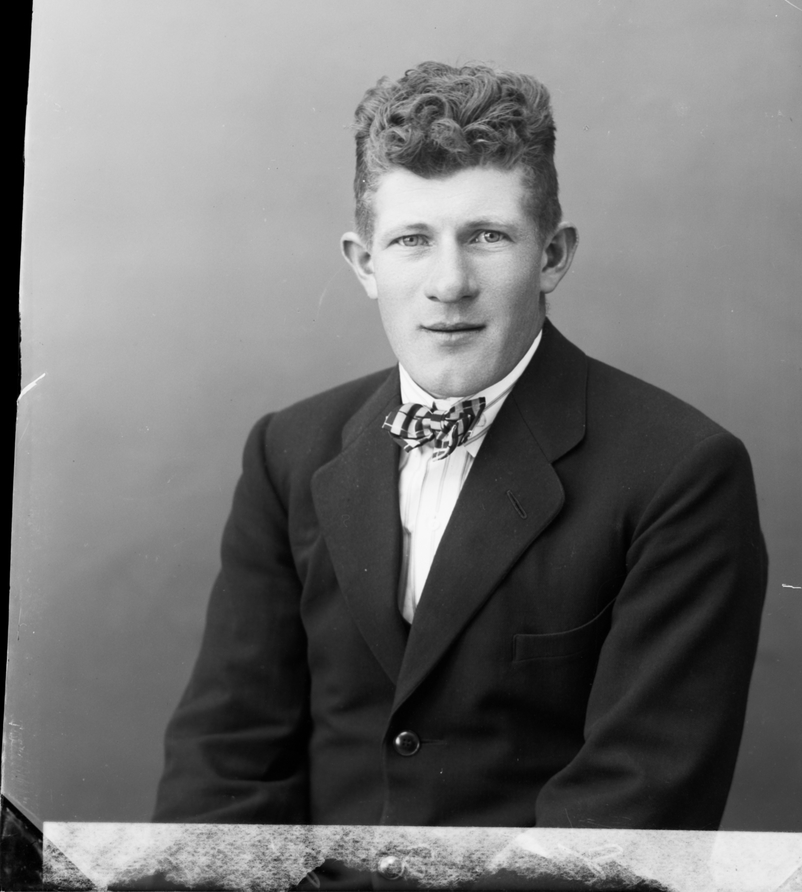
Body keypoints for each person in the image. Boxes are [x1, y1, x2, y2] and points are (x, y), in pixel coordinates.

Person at [154, 62, 767, 871]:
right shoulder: (288, 450)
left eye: (487, 236)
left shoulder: (681, 472)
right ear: (363, 263)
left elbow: (628, 817)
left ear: (551, 256)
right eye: (411, 240)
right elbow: (224, 764)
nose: (449, 284)